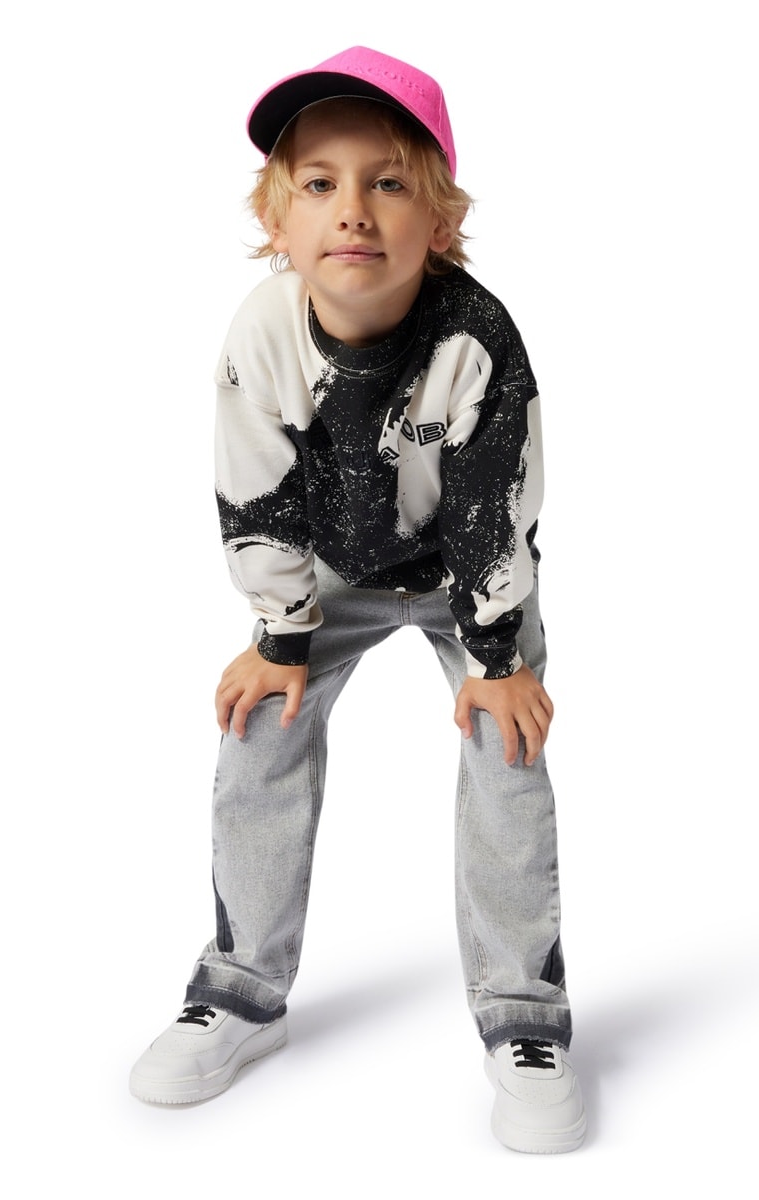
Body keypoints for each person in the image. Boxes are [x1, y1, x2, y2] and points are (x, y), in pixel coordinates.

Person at [129, 46, 586, 1154]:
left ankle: (523, 1015)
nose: (353, 211)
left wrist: (496, 655)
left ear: (439, 221)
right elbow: (254, 487)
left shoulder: (477, 338)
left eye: (388, 183)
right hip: (328, 570)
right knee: (259, 723)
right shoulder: (262, 329)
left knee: (507, 744)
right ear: (277, 222)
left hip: (465, 577)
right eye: (319, 184)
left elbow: (497, 499)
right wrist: (280, 634)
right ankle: (241, 990)